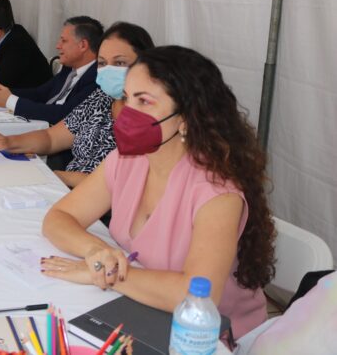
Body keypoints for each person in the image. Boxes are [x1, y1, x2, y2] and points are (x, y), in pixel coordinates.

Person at [40, 45, 277, 339]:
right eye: (126, 98)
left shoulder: (217, 193)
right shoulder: (127, 160)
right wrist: (97, 253)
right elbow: (59, 217)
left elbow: (196, 295)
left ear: (186, 117)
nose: (127, 112)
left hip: (208, 337)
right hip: (142, 310)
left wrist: (107, 274)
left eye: (144, 101)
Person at [0, 22, 154, 187]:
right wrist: (7, 142)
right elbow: (51, 138)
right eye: (102, 63)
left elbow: (127, 183)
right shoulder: (101, 98)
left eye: (120, 62)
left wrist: (59, 177)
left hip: (97, 202)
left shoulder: (153, 116)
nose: (109, 70)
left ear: (145, 64)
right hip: (65, 188)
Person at [0, 16, 103, 125]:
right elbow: (40, 93)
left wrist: (9, 100)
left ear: (82, 45)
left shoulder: (98, 78)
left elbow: (64, 115)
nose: (58, 46)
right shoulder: (69, 68)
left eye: (64, 41)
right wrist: (3, 92)